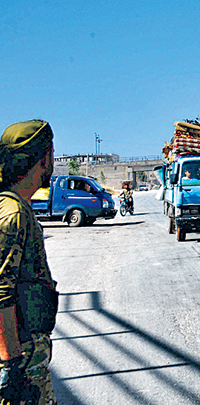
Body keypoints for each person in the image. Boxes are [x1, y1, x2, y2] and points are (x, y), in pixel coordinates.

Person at [0, 120, 58, 405]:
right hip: (20, 358)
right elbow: (1, 291)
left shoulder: (16, 207)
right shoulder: (13, 213)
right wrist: (11, 366)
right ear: (43, 158)